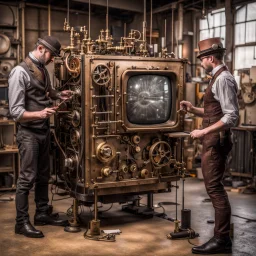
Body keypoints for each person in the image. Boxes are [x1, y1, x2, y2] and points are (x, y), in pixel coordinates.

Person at [8, 36, 72, 238]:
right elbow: (16, 112)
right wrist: (40, 114)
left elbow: (46, 91)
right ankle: (21, 223)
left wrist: (59, 95)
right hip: (28, 134)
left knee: (44, 175)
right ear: (41, 48)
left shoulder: (43, 68)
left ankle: (42, 213)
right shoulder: (19, 72)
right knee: (27, 179)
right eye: (51, 55)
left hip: (43, 130)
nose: (53, 60)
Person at [180, 37, 239, 254]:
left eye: (202, 59)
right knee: (214, 188)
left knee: (215, 189)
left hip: (216, 141)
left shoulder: (222, 79)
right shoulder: (217, 78)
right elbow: (216, 112)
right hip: (212, 141)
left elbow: (232, 116)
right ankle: (221, 238)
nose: (201, 63)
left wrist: (203, 131)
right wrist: (193, 109)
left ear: (210, 58)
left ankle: (221, 239)